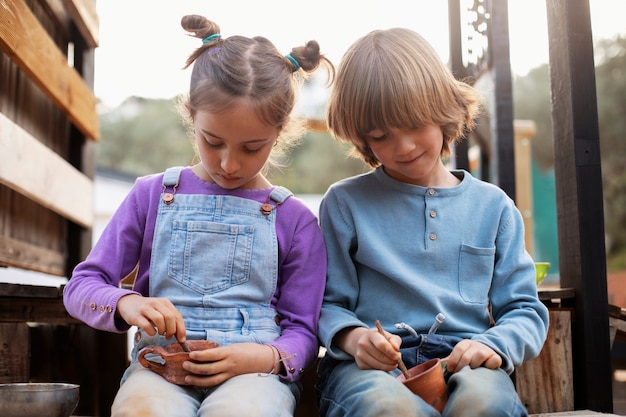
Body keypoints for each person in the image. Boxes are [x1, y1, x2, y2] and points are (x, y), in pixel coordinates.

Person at [63, 14, 333, 417]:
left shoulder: (295, 221)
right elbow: (82, 287)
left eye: (251, 147)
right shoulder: (150, 196)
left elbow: (303, 333)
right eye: (213, 141)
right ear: (191, 114)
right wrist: (125, 303)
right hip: (159, 370)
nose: (229, 163)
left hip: (252, 379)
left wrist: (263, 358)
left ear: (280, 132)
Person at [315, 27, 549, 417]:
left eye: (415, 124)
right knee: (388, 408)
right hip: (368, 369)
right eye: (381, 135)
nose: (403, 146)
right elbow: (324, 303)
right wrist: (355, 339)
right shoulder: (343, 204)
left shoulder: (494, 207)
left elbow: (524, 309)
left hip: (465, 361)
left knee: (484, 404)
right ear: (362, 139)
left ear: (444, 111)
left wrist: (492, 345)